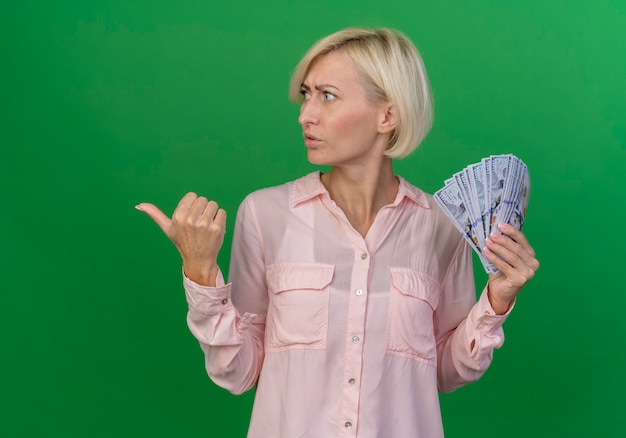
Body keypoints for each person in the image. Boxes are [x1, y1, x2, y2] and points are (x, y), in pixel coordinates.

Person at [136, 27, 539, 438]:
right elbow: (239, 372)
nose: (305, 115)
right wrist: (201, 272)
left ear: (388, 114)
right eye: (306, 95)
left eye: (327, 96)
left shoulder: (440, 225)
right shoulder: (265, 214)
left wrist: (497, 301)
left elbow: (447, 371)